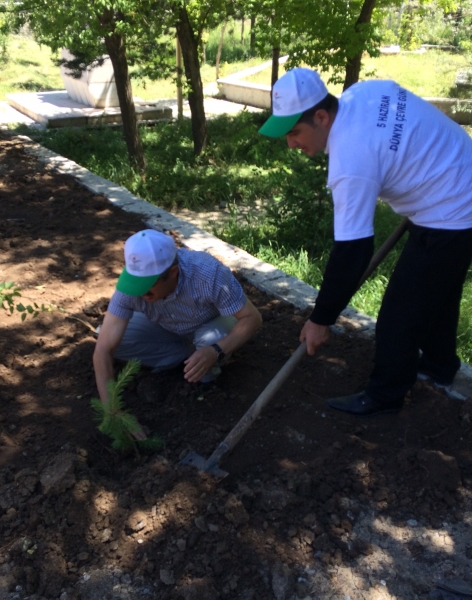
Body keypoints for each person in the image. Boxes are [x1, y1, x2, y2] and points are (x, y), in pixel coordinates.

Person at [259, 67, 472, 417]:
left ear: (322, 116)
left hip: (452, 207)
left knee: (398, 316)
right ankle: (440, 366)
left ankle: (385, 396)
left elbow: (353, 251)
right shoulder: (362, 93)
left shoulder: (350, 160)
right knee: (438, 291)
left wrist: (320, 319)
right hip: (457, 171)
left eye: (295, 132)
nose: (291, 144)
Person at [93, 229, 262, 409]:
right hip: (165, 328)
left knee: (212, 338)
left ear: (173, 272)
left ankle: (206, 371)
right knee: (109, 337)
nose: (140, 292)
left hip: (210, 325)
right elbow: (103, 350)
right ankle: (185, 356)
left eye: (148, 285)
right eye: (136, 283)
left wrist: (216, 350)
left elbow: (252, 318)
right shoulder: (131, 286)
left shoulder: (208, 274)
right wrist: (112, 411)